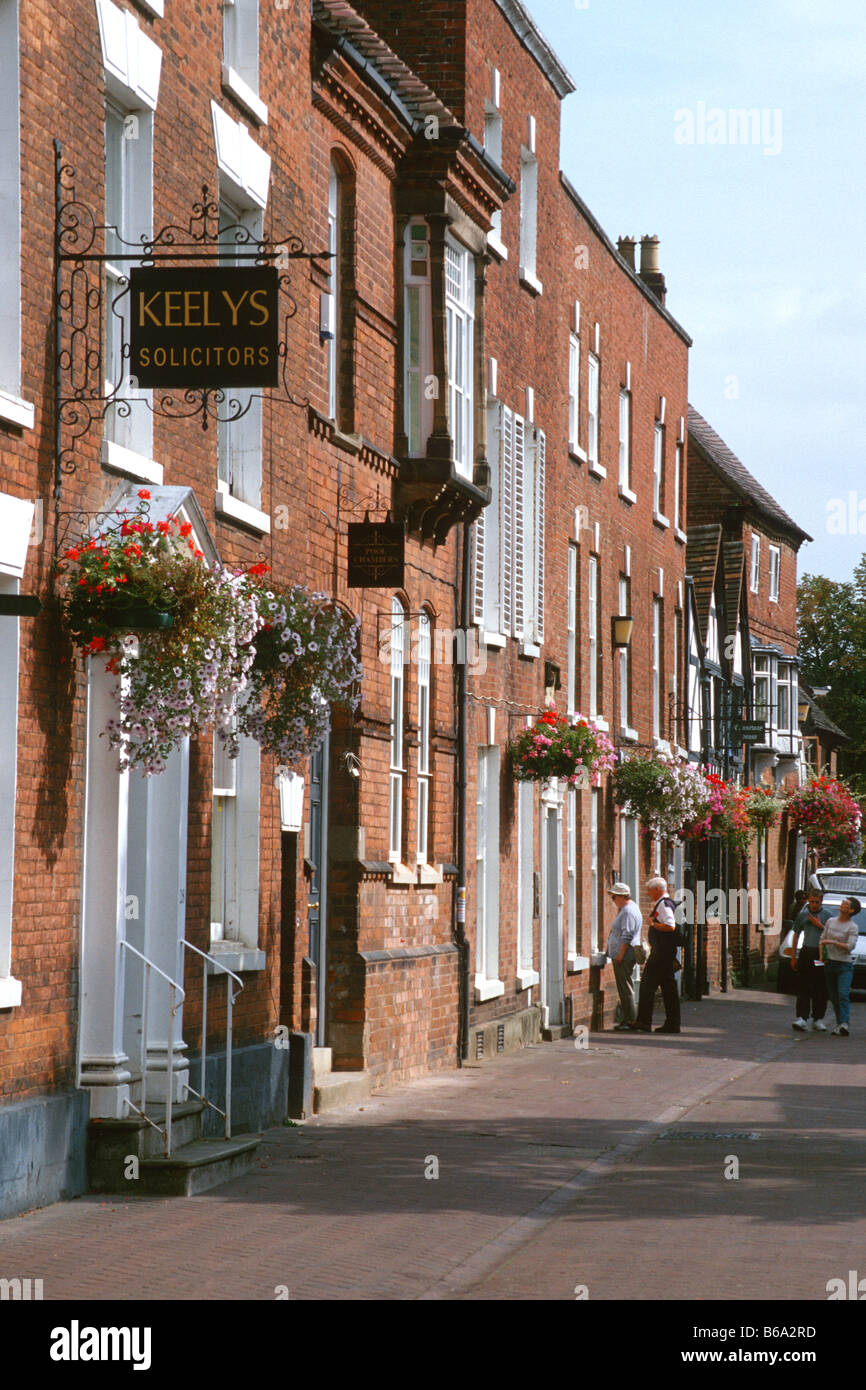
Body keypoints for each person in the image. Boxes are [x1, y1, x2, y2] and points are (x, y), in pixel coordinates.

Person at [628, 875, 681, 1034]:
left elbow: (670, 926)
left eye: (650, 891)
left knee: (646, 986)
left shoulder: (664, 904)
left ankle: (644, 1022)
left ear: (658, 890)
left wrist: (653, 924)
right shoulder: (668, 903)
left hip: (661, 954)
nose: (648, 894)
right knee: (669, 989)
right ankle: (673, 1023)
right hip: (666, 953)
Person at [790, 888, 831, 1032]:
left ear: (821, 901)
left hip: (820, 954)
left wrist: (820, 926)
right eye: (812, 901)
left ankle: (818, 1018)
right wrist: (793, 956)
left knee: (820, 986)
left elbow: (832, 935)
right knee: (803, 985)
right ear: (808, 901)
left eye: (817, 902)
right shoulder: (803, 915)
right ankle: (801, 1017)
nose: (814, 905)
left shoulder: (828, 915)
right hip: (807, 952)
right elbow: (795, 934)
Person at [819, 896, 860, 1036]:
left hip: (844, 965)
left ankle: (845, 1023)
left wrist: (834, 943)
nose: (842, 904)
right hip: (829, 963)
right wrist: (821, 956)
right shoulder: (830, 921)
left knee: (843, 994)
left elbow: (850, 947)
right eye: (843, 902)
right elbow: (822, 939)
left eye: (846, 904)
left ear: (851, 910)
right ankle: (839, 1024)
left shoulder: (852, 927)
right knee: (834, 996)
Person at [606, 882, 643, 1031]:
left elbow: (627, 935)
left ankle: (629, 1020)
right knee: (625, 986)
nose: (613, 900)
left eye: (614, 897)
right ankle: (629, 1019)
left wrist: (620, 955)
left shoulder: (628, 911)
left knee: (625, 987)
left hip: (625, 954)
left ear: (622, 896)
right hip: (624, 953)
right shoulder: (629, 908)